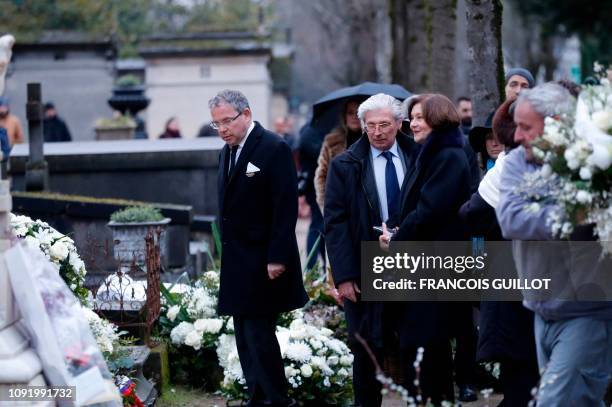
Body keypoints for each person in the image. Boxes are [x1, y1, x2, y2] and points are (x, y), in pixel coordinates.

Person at [496, 83, 612, 406]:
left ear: (558, 122)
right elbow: (511, 219)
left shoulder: (598, 161)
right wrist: (574, 211)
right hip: (541, 309)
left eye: (525, 127)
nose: (516, 136)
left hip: (588, 311)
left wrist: (585, 209)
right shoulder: (520, 161)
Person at [210, 89, 307, 407]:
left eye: (227, 121)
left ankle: (277, 400)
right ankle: (258, 397)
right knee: (244, 335)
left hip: (263, 258)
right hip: (237, 259)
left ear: (246, 114)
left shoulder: (273, 147)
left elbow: (285, 206)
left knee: (260, 334)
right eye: (216, 124)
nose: (222, 129)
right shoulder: (227, 151)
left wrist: (277, 256)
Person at [380, 93, 473, 404]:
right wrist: (394, 227)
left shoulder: (447, 156)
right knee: (425, 348)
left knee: (425, 347)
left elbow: (431, 210)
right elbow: (414, 206)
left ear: (438, 118)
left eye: (420, 117)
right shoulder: (431, 153)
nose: (413, 122)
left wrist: (397, 237)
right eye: (413, 117)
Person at [325, 93, 417, 406]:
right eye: (371, 126)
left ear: (399, 123)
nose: (377, 132)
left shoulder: (418, 157)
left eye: (384, 125)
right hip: (366, 264)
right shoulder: (345, 165)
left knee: (414, 343)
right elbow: (334, 223)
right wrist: (344, 276)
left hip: (413, 262)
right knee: (365, 347)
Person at [460, 97, 540, 406]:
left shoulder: (508, 168)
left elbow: (474, 218)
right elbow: (475, 229)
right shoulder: (486, 173)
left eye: (498, 137)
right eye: (489, 140)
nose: (495, 143)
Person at [314, 97, 364, 212]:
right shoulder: (332, 141)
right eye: (350, 112)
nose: (354, 116)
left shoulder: (372, 139)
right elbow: (321, 175)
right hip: (340, 205)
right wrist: (326, 207)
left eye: (358, 112)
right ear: (344, 116)